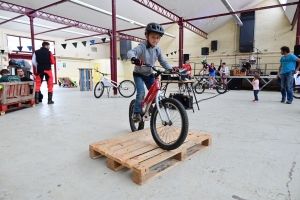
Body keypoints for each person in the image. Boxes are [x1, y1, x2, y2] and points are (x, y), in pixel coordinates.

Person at [127, 22, 173, 122]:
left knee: (156, 93)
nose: (155, 40)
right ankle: (136, 112)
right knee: (141, 93)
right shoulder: (142, 46)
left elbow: (163, 61)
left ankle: (149, 106)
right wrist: (134, 58)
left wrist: (171, 69)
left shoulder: (157, 49)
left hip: (149, 74)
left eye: (158, 38)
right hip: (138, 74)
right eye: (153, 37)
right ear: (146, 36)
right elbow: (131, 52)